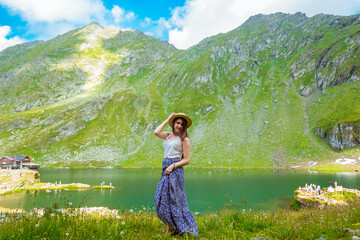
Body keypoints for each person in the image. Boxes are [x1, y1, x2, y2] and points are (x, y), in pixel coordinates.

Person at [154, 113, 198, 236]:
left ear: (184, 127)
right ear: (173, 124)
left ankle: (176, 228)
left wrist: (172, 166)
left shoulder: (184, 139)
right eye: (177, 123)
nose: (179, 126)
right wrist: (167, 119)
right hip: (165, 169)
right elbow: (156, 132)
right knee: (160, 198)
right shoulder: (168, 135)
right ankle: (171, 226)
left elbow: (187, 160)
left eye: (182, 124)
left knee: (175, 200)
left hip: (175, 170)